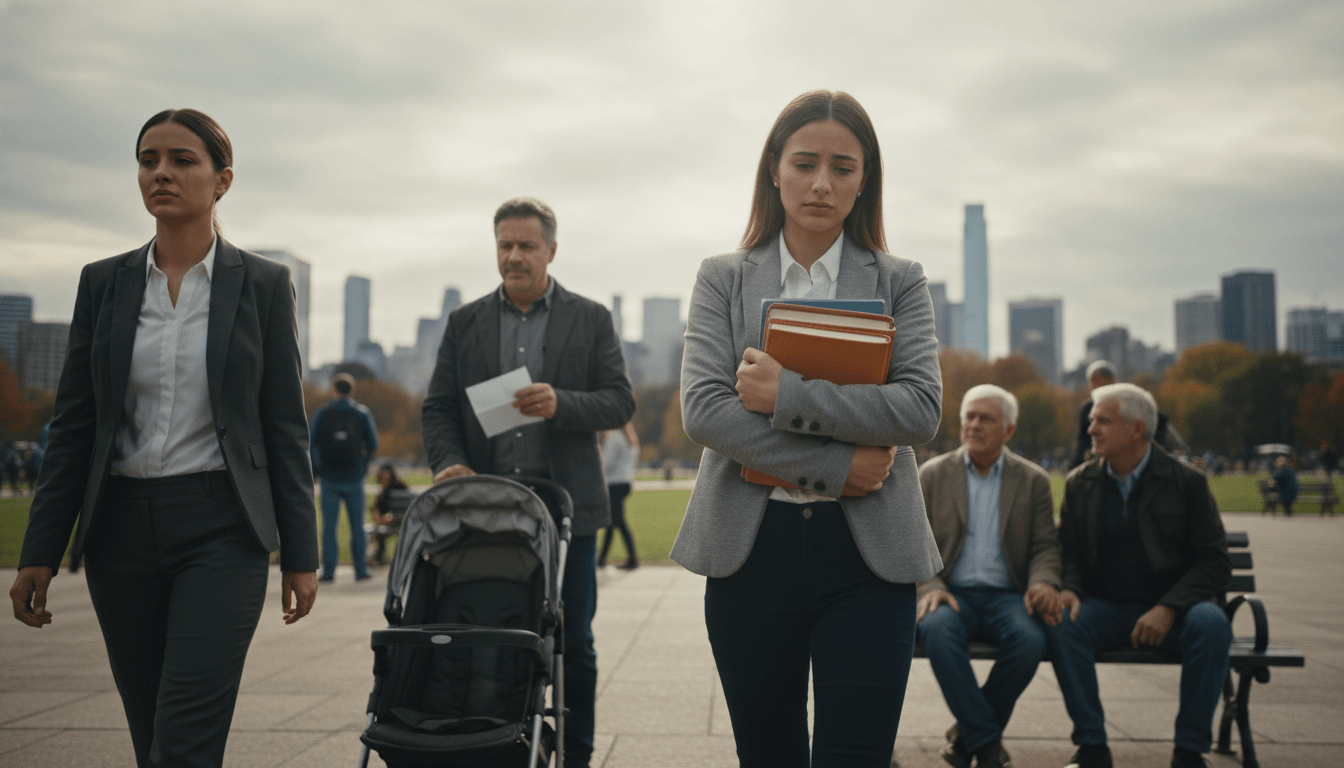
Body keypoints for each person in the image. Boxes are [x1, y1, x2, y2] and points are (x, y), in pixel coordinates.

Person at [8, 108, 318, 768]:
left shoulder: (264, 285)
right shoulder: (104, 283)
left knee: (185, 737)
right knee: (150, 731)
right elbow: (74, 426)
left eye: (182, 160)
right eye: (148, 160)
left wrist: (302, 553)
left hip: (223, 529)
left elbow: (284, 428)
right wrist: (41, 547)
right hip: (119, 531)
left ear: (222, 180)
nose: (161, 173)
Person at [671, 90, 944, 767]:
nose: (822, 183)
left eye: (843, 167)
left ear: (864, 179)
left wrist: (785, 393)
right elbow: (705, 410)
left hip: (869, 558)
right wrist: (836, 467)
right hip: (750, 549)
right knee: (769, 755)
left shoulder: (901, 281)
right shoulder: (722, 278)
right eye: (805, 162)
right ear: (774, 168)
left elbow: (919, 410)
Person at [421, 196, 634, 768]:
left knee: (575, 646)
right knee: (489, 635)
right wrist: (448, 463)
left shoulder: (590, 318)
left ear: (552, 251)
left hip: (567, 510)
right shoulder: (464, 322)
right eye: (504, 246)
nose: (513, 256)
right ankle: (491, 742)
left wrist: (561, 403)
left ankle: (577, 758)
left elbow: (619, 400)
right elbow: (439, 407)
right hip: (485, 508)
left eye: (526, 246)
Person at [1049, 383, 1231, 768]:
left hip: (1177, 612)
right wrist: (1070, 589)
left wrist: (1168, 607)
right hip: (1105, 609)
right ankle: (1092, 747)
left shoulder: (1188, 483)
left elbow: (1213, 562)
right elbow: (1070, 552)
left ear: (1137, 429)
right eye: (1092, 420)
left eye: (1103, 421)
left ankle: (1189, 750)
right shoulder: (1081, 482)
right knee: (1063, 622)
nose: (1091, 430)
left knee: (1212, 623)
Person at [916, 384, 1061, 768]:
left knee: (1031, 640)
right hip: (949, 593)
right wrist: (929, 585)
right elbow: (911, 541)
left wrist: (1042, 582)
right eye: (969, 416)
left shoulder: (1033, 480)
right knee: (937, 631)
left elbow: (1046, 545)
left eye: (986, 418)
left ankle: (969, 738)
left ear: (1009, 430)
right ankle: (986, 743)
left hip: (1008, 595)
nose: (974, 424)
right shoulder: (931, 474)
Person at [309, 372, 378, 582]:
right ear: (352, 390)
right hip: (354, 476)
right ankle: (360, 570)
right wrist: (363, 466)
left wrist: (320, 468)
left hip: (329, 477)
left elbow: (311, 443)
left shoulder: (324, 412)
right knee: (357, 526)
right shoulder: (362, 413)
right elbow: (373, 443)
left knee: (329, 527)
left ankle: (329, 571)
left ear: (334, 390)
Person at [1068, 361, 1184, 469]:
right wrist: (1075, 466)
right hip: (1100, 459)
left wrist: (1151, 451)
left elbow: (1160, 421)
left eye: (1102, 379)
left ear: (1113, 380)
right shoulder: (1087, 408)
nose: (1098, 383)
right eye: (1094, 380)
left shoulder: (1128, 398)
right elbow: (1082, 441)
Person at [598, 421, 640, 570]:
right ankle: (602, 558)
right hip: (624, 481)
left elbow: (607, 463)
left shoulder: (614, 437)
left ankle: (632, 558)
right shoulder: (628, 438)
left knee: (618, 522)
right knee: (613, 522)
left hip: (614, 483)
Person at [369, 461, 409, 565]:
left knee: (380, 527)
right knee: (378, 529)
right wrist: (377, 516)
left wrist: (393, 516)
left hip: (399, 519)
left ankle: (384, 556)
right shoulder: (383, 491)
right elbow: (376, 508)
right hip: (385, 521)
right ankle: (379, 555)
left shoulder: (400, 487)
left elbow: (407, 507)